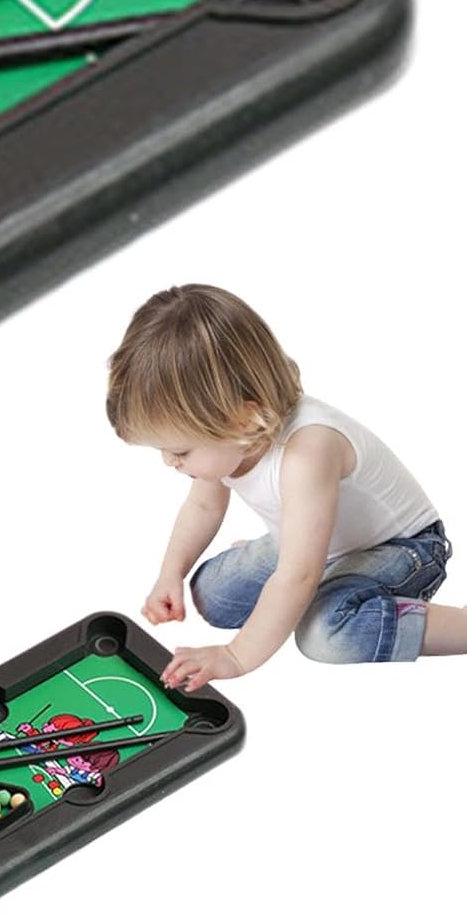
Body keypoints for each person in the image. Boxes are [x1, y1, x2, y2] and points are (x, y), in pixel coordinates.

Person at [105, 284, 465, 689]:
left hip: (403, 549)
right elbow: (204, 507)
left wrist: (236, 656)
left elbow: (298, 575)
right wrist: (170, 574)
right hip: (316, 549)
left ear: (242, 420)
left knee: (322, 635)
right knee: (212, 596)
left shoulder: (307, 452)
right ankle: (303, 571)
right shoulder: (232, 438)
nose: (169, 462)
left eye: (180, 451)